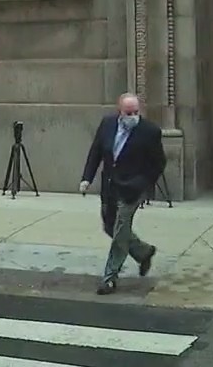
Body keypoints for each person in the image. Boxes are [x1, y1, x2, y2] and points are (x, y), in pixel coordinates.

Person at [80, 92, 166, 295]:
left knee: (120, 229)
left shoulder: (149, 131)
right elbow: (96, 152)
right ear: (120, 111)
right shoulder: (107, 124)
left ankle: (109, 277)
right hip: (110, 186)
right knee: (109, 226)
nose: (132, 116)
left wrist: (142, 183)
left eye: (136, 112)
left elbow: (158, 163)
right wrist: (86, 178)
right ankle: (143, 251)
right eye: (128, 113)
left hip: (132, 189)